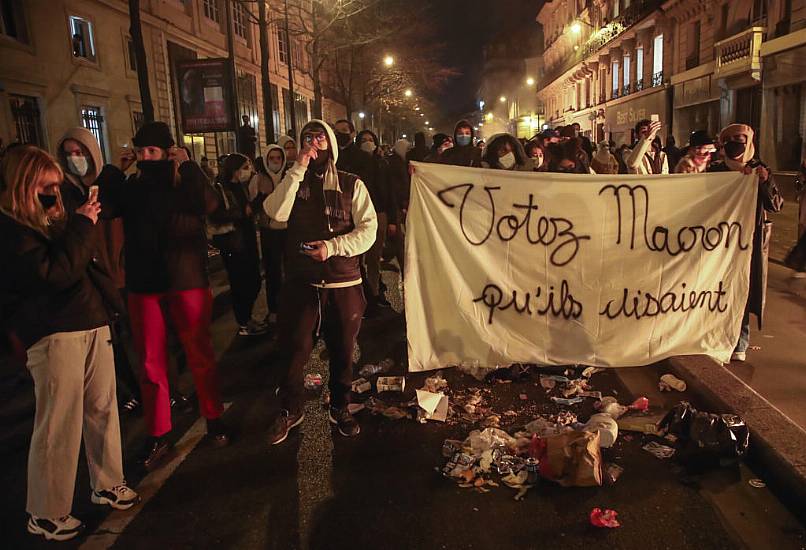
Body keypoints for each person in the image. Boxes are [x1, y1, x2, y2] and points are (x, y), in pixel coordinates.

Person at [0, 146, 139, 541]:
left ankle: (107, 482)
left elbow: (80, 261)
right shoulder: (12, 230)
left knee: (102, 407)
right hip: (53, 332)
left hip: (91, 321)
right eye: (45, 186)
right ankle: (46, 510)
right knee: (59, 422)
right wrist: (82, 225)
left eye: (56, 186)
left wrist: (79, 224)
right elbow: (54, 274)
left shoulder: (52, 220)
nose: (53, 193)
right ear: (24, 184)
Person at [99, 121, 228, 469]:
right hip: (145, 285)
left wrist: (187, 165)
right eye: (140, 152)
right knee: (150, 362)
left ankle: (213, 416)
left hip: (186, 280)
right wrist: (113, 169)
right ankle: (159, 433)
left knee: (200, 353)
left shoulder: (183, 182)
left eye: (151, 151)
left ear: (167, 151)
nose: (144, 157)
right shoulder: (131, 186)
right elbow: (104, 208)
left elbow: (209, 203)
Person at [263, 120, 377, 443]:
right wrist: (296, 169)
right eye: (308, 138)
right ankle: (291, 408)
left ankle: (340, 405)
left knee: (343, 350)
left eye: (320, 138)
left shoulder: (351, 184)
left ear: (331, 144)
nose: (314, 143)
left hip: (342, 283)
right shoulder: (294, 180)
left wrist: (333, 248)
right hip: (302, 282)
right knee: (294, 348)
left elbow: (368, 230)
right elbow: (276, 213)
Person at [56, 128, 143, 413]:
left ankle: (146, 390)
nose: (74, 159)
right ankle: (126, 391)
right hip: (91, 276)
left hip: (119, 269)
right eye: (68, 154)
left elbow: (105, 205)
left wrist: (113, 171)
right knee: (109, 340)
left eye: (79, 152)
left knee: (132, 335)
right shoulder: (66, 192)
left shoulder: (109, 186)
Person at [708, 123, 783, 362]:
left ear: (749, 141)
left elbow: (776, 205)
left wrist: (764, 181)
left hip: (750, 241)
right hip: (720, 242)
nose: (735, 144)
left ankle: (740, 341)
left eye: (740, 139)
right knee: (718, 290)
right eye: (729, 139)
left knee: (743, 289)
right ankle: (716, 338)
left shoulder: (760, 170)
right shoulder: (716, 170)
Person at [207, 154, 265, 336]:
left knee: (254, 280)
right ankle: (244, 322)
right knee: (240, 283)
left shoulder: (241, 186)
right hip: (233, 243)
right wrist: (243, 211)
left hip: (246, 239)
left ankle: (247, 318)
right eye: (246, 166)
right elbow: (215, 215)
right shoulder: (220, 188)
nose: (249, 170)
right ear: (235, 169)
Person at [357, 129, 394, 315]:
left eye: (370, 140)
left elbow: (388, 190)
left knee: (374, 257)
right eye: (363, 140)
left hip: (378, 212)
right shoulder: (355, 163)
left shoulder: (382, 163)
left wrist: (392, 219)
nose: (367, 143)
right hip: (357, 215)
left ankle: (373, 292)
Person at [250, 145, 288, 322]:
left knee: (290, 270)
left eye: (278, 158)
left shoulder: (289, 178)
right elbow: (251, 206)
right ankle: (274, 308)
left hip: (288, 231)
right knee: (272, 271)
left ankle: (291, 306)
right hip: (269, 231)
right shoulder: (258, 179)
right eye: (271, 158)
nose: (275, 161)